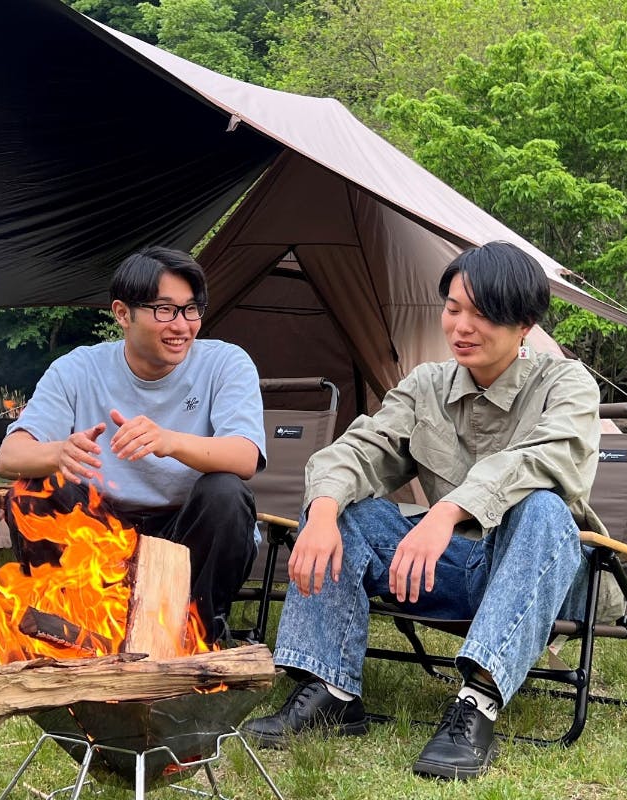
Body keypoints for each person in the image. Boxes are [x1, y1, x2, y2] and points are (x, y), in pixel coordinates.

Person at [239, 241, 604, 780]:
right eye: (453, 308)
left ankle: (477, 702)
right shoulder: (427, 385)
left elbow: (547, 459)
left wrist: (445, 512)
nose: (462, 327)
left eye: (482, 314)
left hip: (542, 575)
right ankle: (330, 690)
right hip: (450, 568)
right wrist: (321, 513)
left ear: (524, 325)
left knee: (543, 507)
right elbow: (361, 449)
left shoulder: (565, 383)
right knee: (345, 507)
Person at [0, 246, 267, 644]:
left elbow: (245, 456)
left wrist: (169, 441)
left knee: (225, 491)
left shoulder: (225, 363)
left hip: (187, 529)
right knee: (34, 487)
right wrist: (59, 452)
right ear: (123, 314)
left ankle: (194, 635)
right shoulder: (77, 369)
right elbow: (8, 458)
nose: (182, 326)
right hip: (101, 528)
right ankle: (78, 630)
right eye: (165, 310)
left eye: (191, 309)